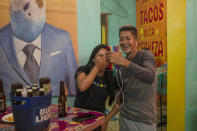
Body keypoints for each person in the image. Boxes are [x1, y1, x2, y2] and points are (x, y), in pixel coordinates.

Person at [0, 0, 77, 98]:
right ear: (13, 11)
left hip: (52, 109)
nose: (34, 18)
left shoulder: (62, 38)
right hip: (12, 110)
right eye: (29, 12)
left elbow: (73, 85)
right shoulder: (2, 40)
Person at [106, 25, 157, 131]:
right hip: (124, 117)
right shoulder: (123, 63)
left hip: (143, 120)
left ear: (136, 40)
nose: (124, 42)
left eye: (128, 38)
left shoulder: (145, 55)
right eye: (121, 39)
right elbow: (121, 91)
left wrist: (124, 62)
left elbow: (150, 76)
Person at [74, 44, 118, 131]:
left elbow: (119, 102)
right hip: (80, 120)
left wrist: (107, 119)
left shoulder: (110, 77)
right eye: (100, 55)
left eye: (106, 56)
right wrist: (97, 67)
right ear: (93, 59)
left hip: (99, 121)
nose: (103, 58)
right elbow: (82, 87)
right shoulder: (83, 70)